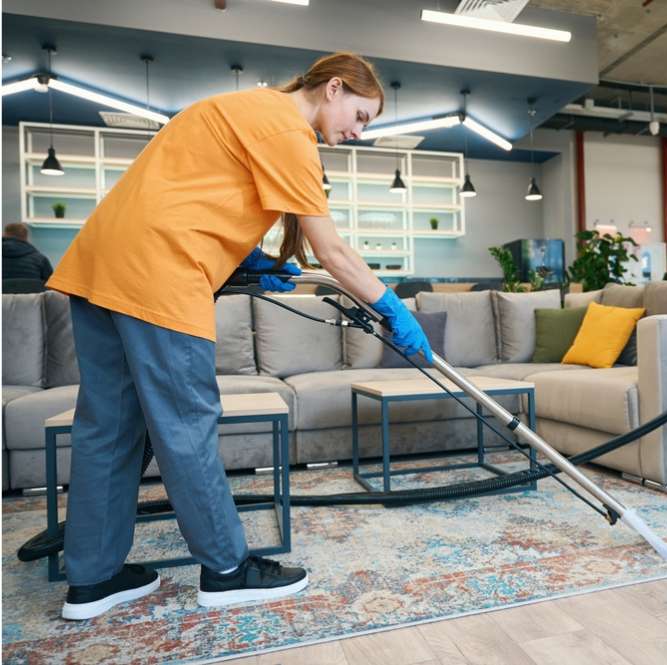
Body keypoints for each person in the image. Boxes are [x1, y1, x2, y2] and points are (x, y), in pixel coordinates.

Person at [45, 52, 431, 621]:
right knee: (185, 426)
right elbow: (332, 251)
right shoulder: (289, 130)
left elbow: (188, 190)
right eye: (362, 116)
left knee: (109, 426)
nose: (358, 132)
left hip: (101, 263)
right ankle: (227, 570)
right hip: (160, 273)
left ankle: (92, 579)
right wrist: (391, 305)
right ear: (334, 88)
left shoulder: (240, 106)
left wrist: (242, 254)